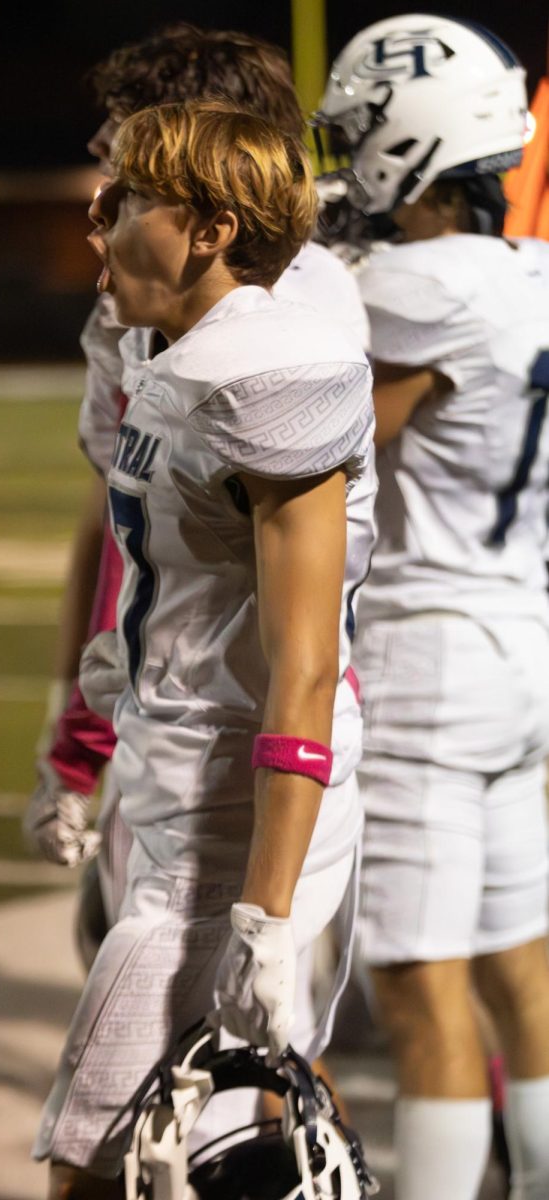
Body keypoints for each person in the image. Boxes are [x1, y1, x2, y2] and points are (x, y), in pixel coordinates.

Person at [32, 98, 376, 1198]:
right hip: (173, 783)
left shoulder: (270, 368)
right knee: (197, 1152)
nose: (97, 220)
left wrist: (266, 914)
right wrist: (88, 735)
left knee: (92, 1153)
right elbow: (158, 594)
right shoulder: (172, 348)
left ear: (211, 227)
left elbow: (306, 662)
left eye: (124, 198)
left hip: (229, 827)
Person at [25, 22, 370, 943]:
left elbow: (287, 598)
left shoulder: (277, 332)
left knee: (236, 994)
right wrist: (80, 728)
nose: (100, 169)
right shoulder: (148, 307)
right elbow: (124, 527)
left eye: (126, 148)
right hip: (174, 707)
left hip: (241, 729)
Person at [316, 15, 549, 1200]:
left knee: (420, 989)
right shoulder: (529, 270)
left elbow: (326, 439)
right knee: (522, 971)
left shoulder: (412, 285)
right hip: (518, 641)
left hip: (429, 654)